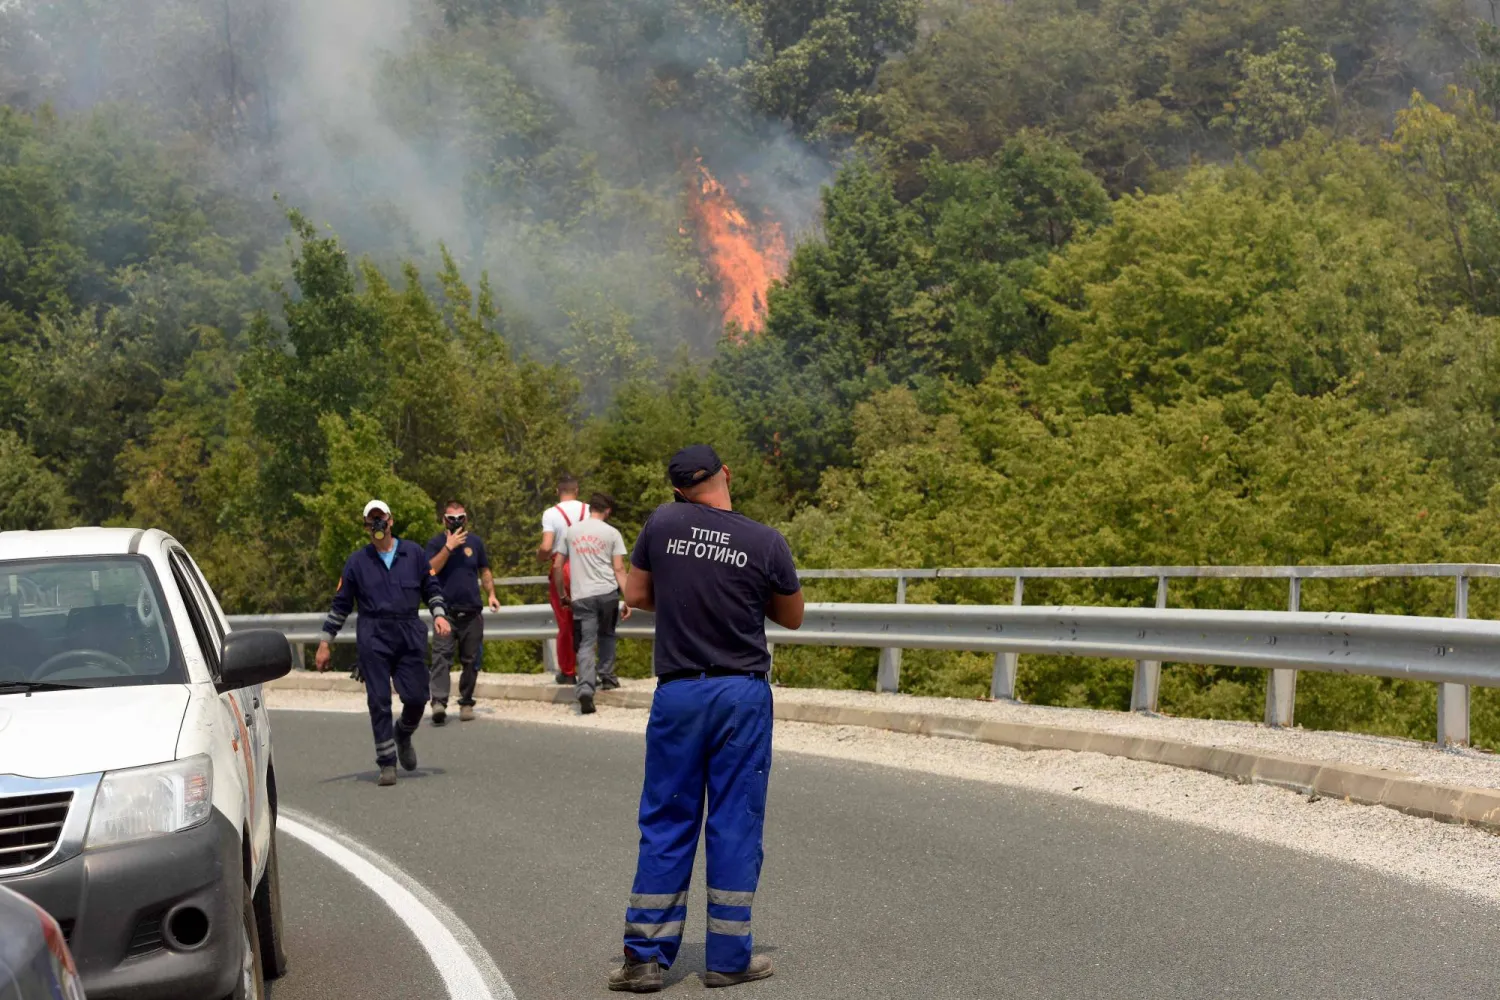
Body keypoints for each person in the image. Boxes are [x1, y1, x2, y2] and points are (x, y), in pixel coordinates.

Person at [608, 446, 804, 993]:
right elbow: (791, 615)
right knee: (734, 823)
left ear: (676, 490)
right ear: (726, 475)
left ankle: (644, 959)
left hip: (679, 693)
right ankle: (727, 958)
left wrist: (686, 592)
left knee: (668, 819)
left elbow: (638, 593)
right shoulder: (764, 541)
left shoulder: (663, 523)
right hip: (741, 694)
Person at [315, 499, 452, 787]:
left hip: (408, 634)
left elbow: (432, 588)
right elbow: (341, 605)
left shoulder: (413, 554)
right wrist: (326, 642)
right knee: (378, 701)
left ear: (390, 521)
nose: (377, 525)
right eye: (371, 520)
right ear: (366, 526)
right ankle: (387, 763)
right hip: (373, 637)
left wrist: (439, 615)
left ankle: (402, 734)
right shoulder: (357, 562)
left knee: (417, 698)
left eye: (381, 519)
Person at [553, 492, 631, 715]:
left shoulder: (571, 532)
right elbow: (619, 569)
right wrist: (628, 599)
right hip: (607, 594)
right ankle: (607, 677)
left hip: (582, 596)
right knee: (607, 635)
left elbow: (558, 566)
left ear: (590, 509)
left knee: (586, 642)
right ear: (608, 511)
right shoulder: (612, 533)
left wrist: (562, 595)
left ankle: (586, 689)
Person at [425, 500, 502, 725]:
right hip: (445, 612)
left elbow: (485, 571)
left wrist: (492, 594)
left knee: (471, 660)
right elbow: (430, 570)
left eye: (460, 518)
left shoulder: (475, 543)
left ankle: (466, 702)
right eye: (451, 519)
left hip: (471, 612)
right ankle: (438, 703)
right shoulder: (435, 543)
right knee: (441, 659)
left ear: (466, 519)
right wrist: (448, 547)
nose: (456, 522)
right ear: (444, 520)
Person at [538, 475, 589, 685]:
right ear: (576, 490)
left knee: (565, 623)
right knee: (589, 620)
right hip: (587, 567)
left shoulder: (551, 513)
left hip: (563, 568)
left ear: (558, 491)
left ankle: (568, 671)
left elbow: (546, 547)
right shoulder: (588, 510)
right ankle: (590, 669)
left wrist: (539, 556)